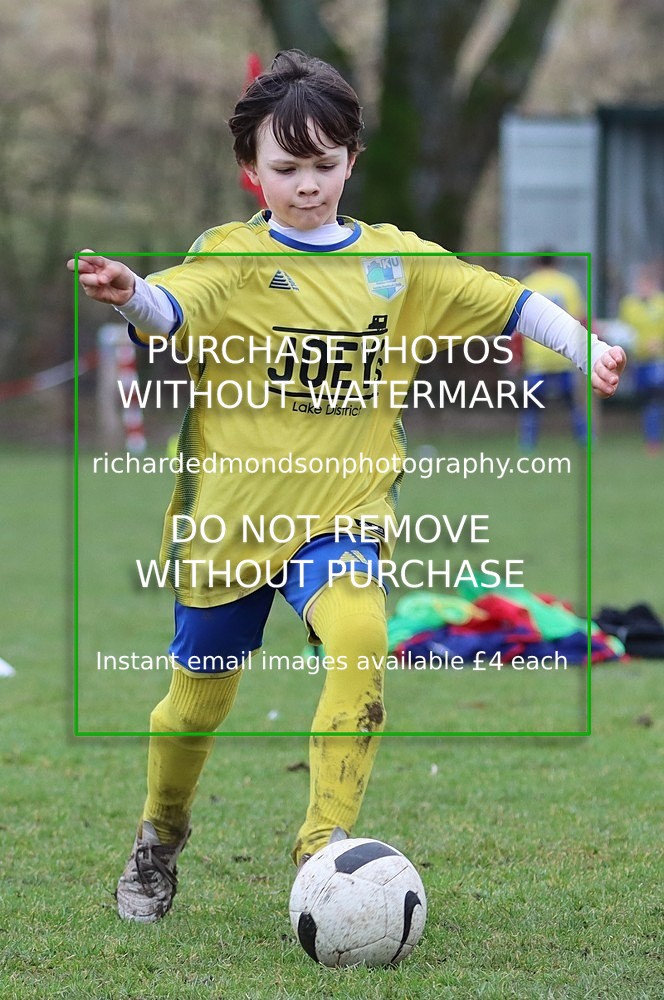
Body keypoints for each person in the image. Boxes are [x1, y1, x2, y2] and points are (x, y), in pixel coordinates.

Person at [67, 49, 626, 924]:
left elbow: (510, 302)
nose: (308, 185)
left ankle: (322, 848)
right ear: (252, 171)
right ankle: (160, 833)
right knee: (195, 702)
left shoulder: (398, 266)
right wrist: (131, 291)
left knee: (361, 632)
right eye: (287, 168)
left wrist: (587, 347)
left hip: (342, 515)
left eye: (325, 165)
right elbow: (174, 308)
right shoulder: (233, 257)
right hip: (231, 523)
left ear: (352, 161)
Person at [513, 254, 588, 449]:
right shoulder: (567, 284)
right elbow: (580, 320)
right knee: (572, 403)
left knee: (531, 405)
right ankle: (585, 440)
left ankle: (527, 444)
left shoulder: (527, 284)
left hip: (537, 358)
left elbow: (517, 327)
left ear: (535, 264)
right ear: (557, 263)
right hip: (563, 355)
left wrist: (516, 358)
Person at [618, 263, 664, 451]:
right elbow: (623, 332)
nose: (644, 288)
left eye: (648, 283)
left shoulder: (661, 303)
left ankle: (653, 440)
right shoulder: (628, 305)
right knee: (646, 399)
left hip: (658, 361)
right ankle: (651, 437)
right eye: (641, 284)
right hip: (638, 361)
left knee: (655, 398)